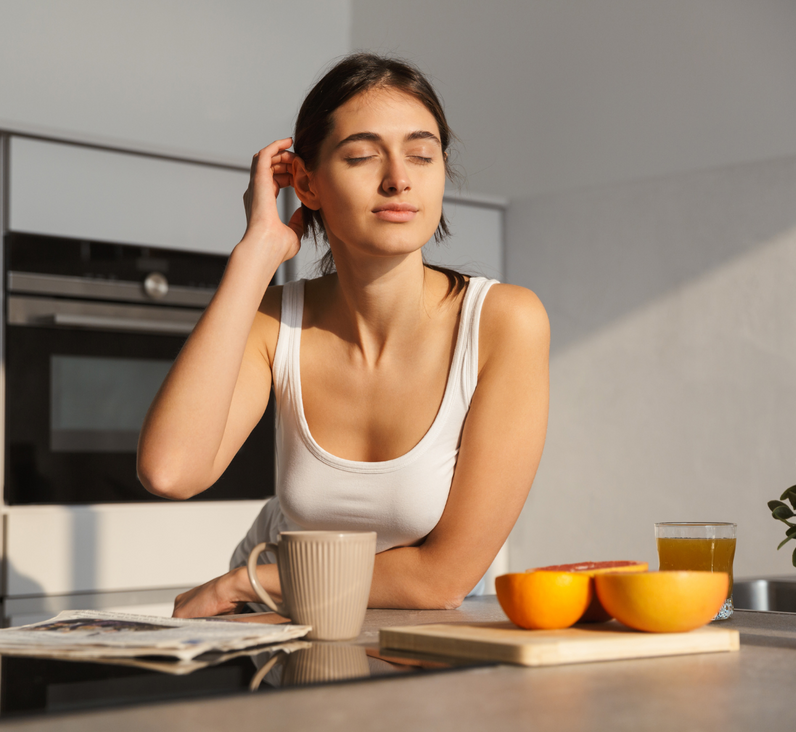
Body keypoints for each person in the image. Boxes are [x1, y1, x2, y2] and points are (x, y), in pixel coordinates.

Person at [136, 53, 549, 618]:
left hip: (416, 653)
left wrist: (249, 581)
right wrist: (256, 256)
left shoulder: (504, 321)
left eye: (422, 155)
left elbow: (441, 579)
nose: (399, 178)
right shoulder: (276, 320)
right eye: (361, 156)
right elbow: (170, 471)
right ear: (306, 182)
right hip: (283, 644)